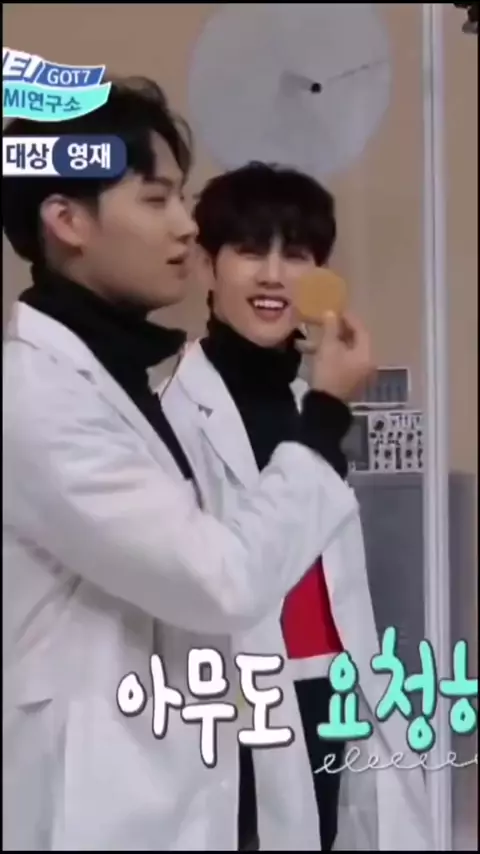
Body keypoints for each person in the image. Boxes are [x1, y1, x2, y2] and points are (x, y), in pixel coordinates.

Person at [2, 80, 375, 851]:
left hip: (204, 753)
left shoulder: (123, 380)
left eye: (182, 199)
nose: (184, 225)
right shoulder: (36, 398)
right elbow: (222, 580)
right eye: (156, 199)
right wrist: (326, 417)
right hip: (97, 799)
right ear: (67, 220)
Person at [161, 163, 433, 850]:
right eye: (252, 251)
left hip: (332, 685)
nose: (274, 276)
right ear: (207, 266)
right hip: (234, 695)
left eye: (298, 255)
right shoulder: (173, 412)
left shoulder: (316, 401)